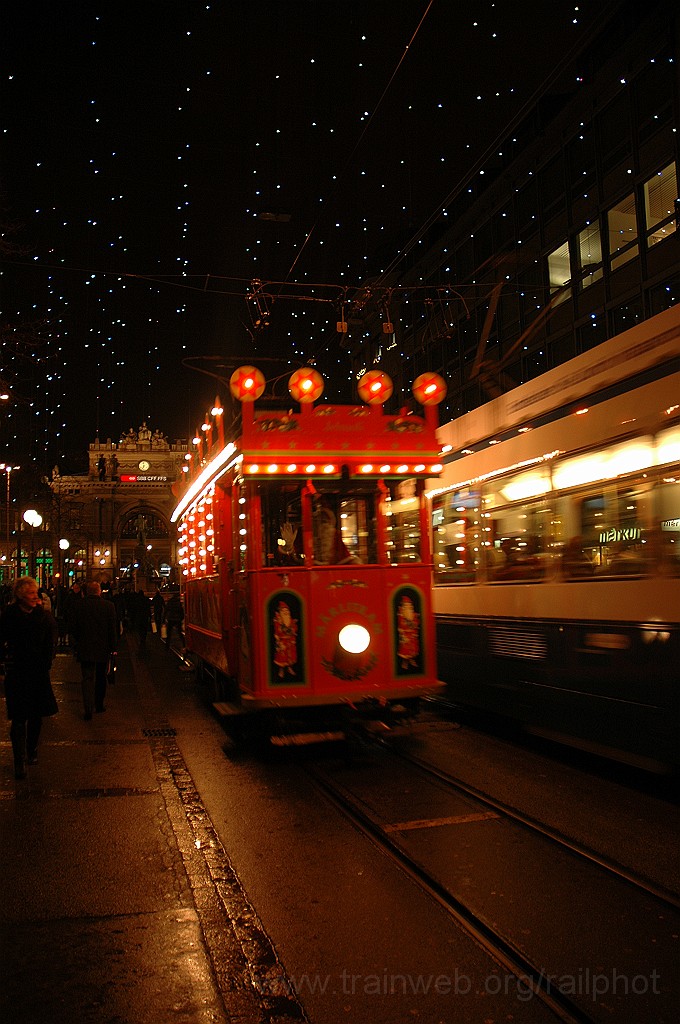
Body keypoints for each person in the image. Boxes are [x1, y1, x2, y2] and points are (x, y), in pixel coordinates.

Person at [0, 576, 58, 779]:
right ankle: (19, 759)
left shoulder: (43, 616)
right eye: (31, 593)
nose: (35, 596)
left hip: (37, 673)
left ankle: (32, 749)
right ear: (21, 596)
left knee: (36, 716)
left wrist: (46, 662)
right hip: (17, 672)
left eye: (35, 593)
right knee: (18, 718)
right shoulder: (9, 616)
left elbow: (50, 642)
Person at [70, 581, 118, 720]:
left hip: (85, 646)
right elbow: (112, 629)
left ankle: (88, 708)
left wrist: (77, 643)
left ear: (86, 592)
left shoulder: (78, 605)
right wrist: (113, 647)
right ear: (99, 591)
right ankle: (99, 704)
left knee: (87, 678)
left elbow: (73, 627)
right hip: (103, 647)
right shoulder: (109, 606)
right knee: (101, 677)